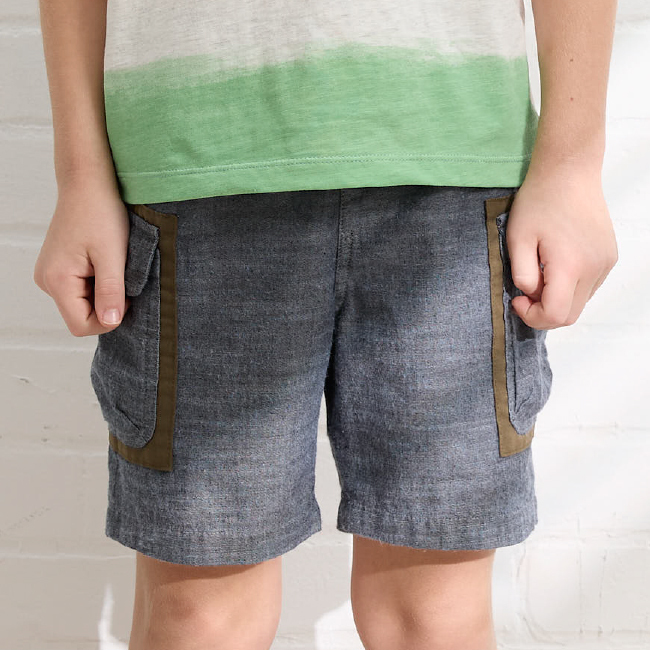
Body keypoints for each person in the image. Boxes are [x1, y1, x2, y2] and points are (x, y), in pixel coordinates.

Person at [33, 0, 619, 648]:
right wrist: (80, 176)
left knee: (432, 617)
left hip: (453, 173)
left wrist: (572, 165)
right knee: (200, 619)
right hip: (194, 168)